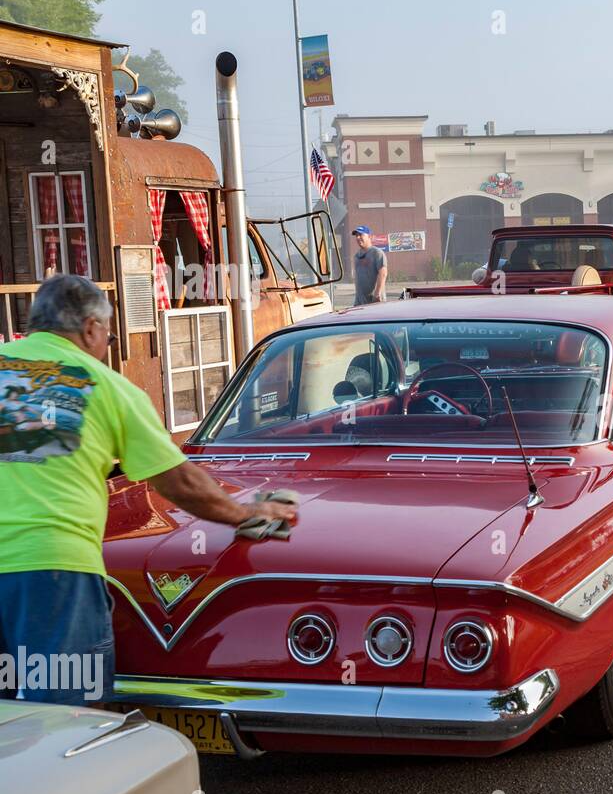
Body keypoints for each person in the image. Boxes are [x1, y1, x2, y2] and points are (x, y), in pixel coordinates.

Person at [0, 276, 299, 706]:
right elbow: (178, 482)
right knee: (64, 724)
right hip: (53, 574)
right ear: (89, 328)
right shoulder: (107, 387)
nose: (106, 344)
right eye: (107, 333)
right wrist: (248, 512)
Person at [351, 225, 387, 305]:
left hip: (374, 300)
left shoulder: (377, 253)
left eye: (361, 235)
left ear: (369, 237)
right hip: (359, 301)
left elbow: (383, 274)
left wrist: (377, 293)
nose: (358, 237)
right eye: (356, 235)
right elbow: (357, 277)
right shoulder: (356, 256)